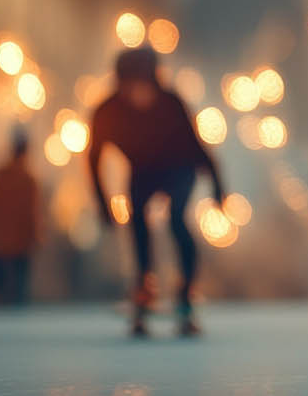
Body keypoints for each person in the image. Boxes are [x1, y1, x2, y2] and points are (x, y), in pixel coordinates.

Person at [88, 46, 226, 336]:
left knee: (176, 218)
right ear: (120, 85)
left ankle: (185, 289)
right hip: (143, 171)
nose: (139, 95)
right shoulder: (108, 112)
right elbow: (94, 160)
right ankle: (143, 284)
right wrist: (102, 204)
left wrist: (218, 187)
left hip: (180, 166)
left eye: (144, 86)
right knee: (137, 217)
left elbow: (197, 146)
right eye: (131, 87)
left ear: (155, 81)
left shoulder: (171, 104)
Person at [0, 130, 40, 306]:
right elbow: (31, 214)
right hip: (19, 244)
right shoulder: (28, 181)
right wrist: (34, 236)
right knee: (18, 291)